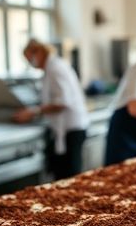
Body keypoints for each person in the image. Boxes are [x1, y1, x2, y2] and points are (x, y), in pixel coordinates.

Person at [13, 39, 89, 180]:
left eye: (30, 59)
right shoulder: (50, 68)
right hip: (64, 130)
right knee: (61, 176)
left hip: (71, 130)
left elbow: (62, 102)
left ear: (39, 52)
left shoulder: (55, 68)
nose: (30, 63)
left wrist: (34, 112)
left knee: (69, 177)